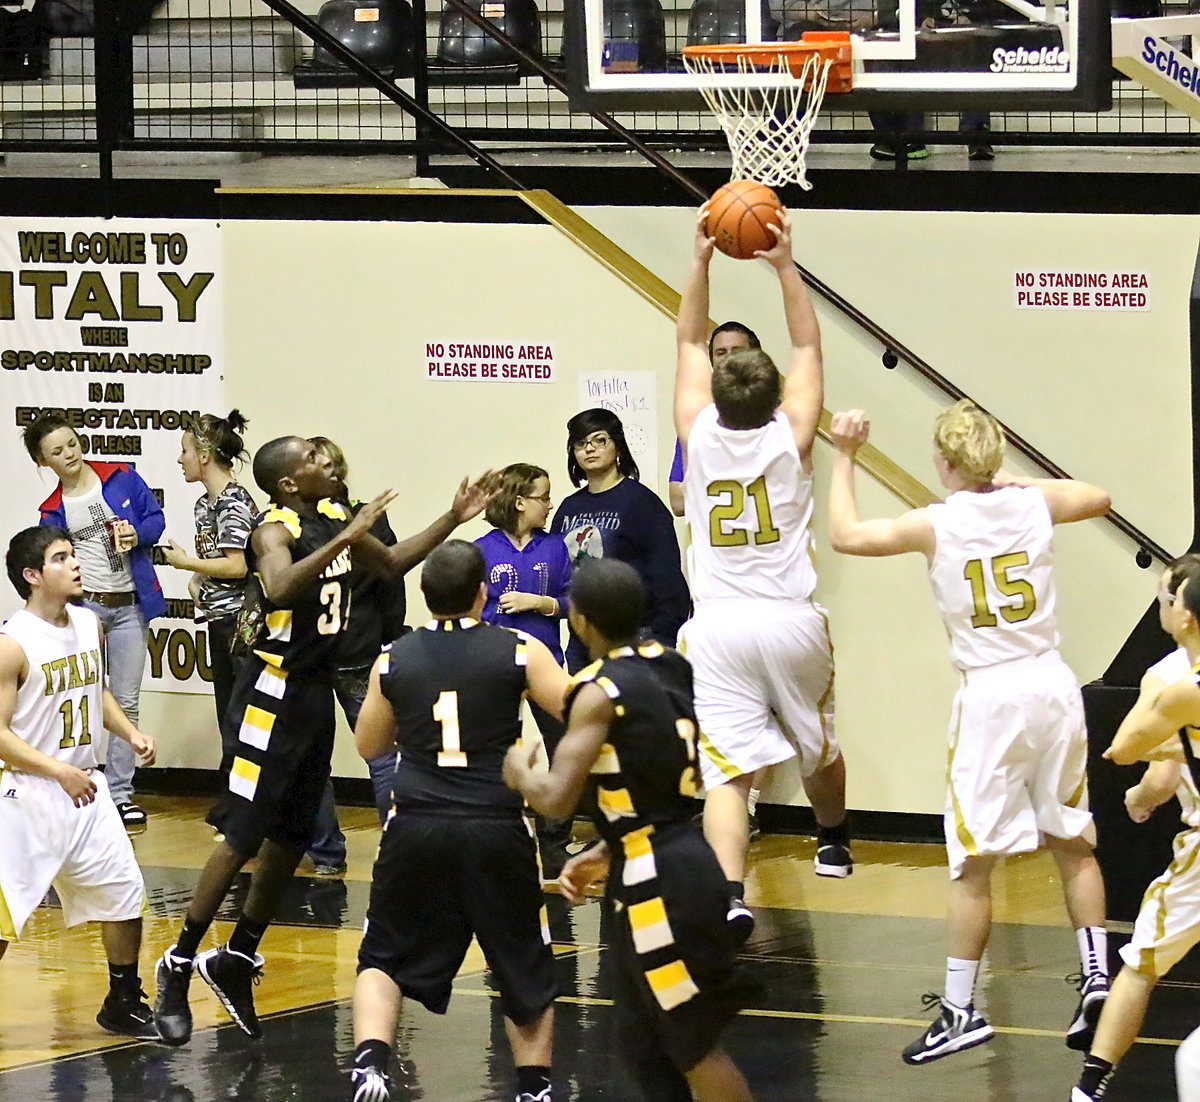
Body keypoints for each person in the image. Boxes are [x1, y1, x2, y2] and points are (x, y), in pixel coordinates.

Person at [152, 435, 496, 1047]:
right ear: (288, 483)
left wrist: (452, 517)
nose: (327, 461)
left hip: (311, 692)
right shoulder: (272, 530)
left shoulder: (338, 517)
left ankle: (237, 956)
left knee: (292, 834)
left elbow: (390, 566)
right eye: (312, 459)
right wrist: (346, 536)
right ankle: (177, 963)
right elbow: (281, 589)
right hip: (269, 692)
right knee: (243, 832)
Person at [826, 400, 1112, 1063]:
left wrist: (844, 455)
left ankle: (960, 1010)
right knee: (1074, 841)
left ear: (945, 462)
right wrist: (1012, 481)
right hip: (1052, 683)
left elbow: (846, 534)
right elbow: (1098, 496)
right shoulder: (1033, 505)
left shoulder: (937, 523)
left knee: (971, 865)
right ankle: (1097, 974)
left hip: (992, 695)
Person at [504, 558, 754, 1102]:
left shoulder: (596, 690)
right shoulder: (668, 662)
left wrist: (520, 772)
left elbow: (555, 797)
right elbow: (650, 781)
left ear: (581, 621)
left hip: (657, 883)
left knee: (691, 1044)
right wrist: (604, 849)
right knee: (644, 1045)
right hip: (673, 852)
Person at [674, 205, 851, 947]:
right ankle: (834, 840)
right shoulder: (794, 435)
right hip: (788, 616)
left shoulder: (696, 430)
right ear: (774, 392)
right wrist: (782, 263)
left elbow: (687, 337)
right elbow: (808, 341)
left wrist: (700, 260)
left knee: (726, 771)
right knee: (822, 743)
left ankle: (730, 892)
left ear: (717, 391)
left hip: (714, 625)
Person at [348, 540, 568, 1102]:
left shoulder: (393, 658)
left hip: (415, 820)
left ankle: (371, 1066)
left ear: (424, 595)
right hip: (495, 823)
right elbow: (578, 708)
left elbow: (370, 745)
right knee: (522, 957)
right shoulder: (518, 650)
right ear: (483, 591)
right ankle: (534, 1088)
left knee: (383, 951)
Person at [0, 526, 158, 1038]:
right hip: (26, 791)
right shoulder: (12, 644)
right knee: (3, 914)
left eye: (72, 554)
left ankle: (122, 999)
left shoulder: (90, 623)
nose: (75, 563)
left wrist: (130, 732)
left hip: (85, 788)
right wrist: (57, 770)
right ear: (32, 576)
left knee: (124, 894)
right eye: (61, 558)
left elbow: (98, 690)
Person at [1069, 556, 1200, 1102]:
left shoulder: (1174, 684)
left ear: (1187, 615)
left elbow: (1124, 750)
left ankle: (1089, 1086)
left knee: (1141, 960)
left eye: (1166, 600)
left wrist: (1168, 747)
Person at [25, 410, 166, 830]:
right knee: (82, 694)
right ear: (43, 461)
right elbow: (48, 562)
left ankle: (121, 794)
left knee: (126, 699)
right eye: (56, 451)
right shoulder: (51, 510)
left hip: (129, 605)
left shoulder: (121, 476)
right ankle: (76, 783)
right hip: (85, 608)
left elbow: (156, 520)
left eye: (72, 443)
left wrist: (136, 534)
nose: (69, 453)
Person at [304, 435, 411, 874]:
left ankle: (327, 853)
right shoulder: (364, 518)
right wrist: (390, 636)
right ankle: (397, 846)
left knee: (312, 757)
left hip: (313, 651)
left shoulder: (296, 524)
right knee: (382, 751)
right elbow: (393, 580)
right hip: (359, 645)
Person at [475, 462, 573, 876]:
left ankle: (555, 844)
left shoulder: (555, 547)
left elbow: (573, 602)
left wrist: (540, 604)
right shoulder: (482, 548)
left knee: (564, 745)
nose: (549, 505)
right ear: (519, 502)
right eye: (543, 497)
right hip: (496, 663)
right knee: (492, 749)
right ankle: (496, 838)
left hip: (546, 660)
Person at [551, 408, 690, 672]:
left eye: (599, 440)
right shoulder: (568, 508)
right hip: (582, 641)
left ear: (617, 446)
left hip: (637, 635)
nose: (589, 449)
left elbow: (668, 579)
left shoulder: (642, 503)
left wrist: (662, 637)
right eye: (581, 444)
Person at [161, 410, 257, 778]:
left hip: (239, 622)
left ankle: (245, 807)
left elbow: (238, 566)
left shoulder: (232, 502)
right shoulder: (205, 504)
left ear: (204, 455)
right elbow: (219, 560)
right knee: (228, 713)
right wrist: (200, 580)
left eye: (185, 450)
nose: (180, 459)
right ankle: (235, 802)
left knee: (241, 715)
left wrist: (188, 565)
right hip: (218, 618)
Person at [668, 323, 762, 518]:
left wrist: (710, 482)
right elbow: (677, 500)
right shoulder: (699, 418)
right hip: (714, 542)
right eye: (721, 352)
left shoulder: (778, 415)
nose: (729, 358)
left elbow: (782, 486)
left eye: (737, 350)